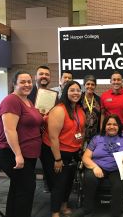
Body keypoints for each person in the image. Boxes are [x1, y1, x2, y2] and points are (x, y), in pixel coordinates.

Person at [0, 71, 43, 217]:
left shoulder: (28, 101)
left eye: (29, 81)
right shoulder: (11, 100)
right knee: (27, 188)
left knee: (18, 188)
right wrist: (18, 155)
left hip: (28, 153)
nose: (27, 85)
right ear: (14, 84)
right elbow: (9, 130)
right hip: (11, 152)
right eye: (23, 82)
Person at [72, 114, 123, 217]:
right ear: (104, 126)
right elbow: (85, 157)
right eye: (109, 124)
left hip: (116, 168)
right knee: (89, 178)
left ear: (119, 126)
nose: (112, 127)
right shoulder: (97, 138)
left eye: (115, 124)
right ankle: (87, 208)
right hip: (98, 166)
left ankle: (115, 214)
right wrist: (94, 167)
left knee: (118, 186)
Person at [41, 80, 85, 217]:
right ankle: (55, 212)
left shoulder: (78, 109)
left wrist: (79, 147)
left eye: (78, 90)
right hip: (55, 152)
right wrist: (58, 159)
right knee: (59, 183)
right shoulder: (59, 110)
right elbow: (54, 138)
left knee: (68, 181)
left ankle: (64, 205)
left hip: (72, 152)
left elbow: (80, 130)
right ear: (65, 92)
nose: (76, 93)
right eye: (72, 90)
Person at [81, 75, 101, 146]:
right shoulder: (79, 99)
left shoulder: (99, 100)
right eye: (88, 84)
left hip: (95, 134)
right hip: (80, 134)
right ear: (84, 85)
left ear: (95, 86)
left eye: (92, 84)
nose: (90, 86)